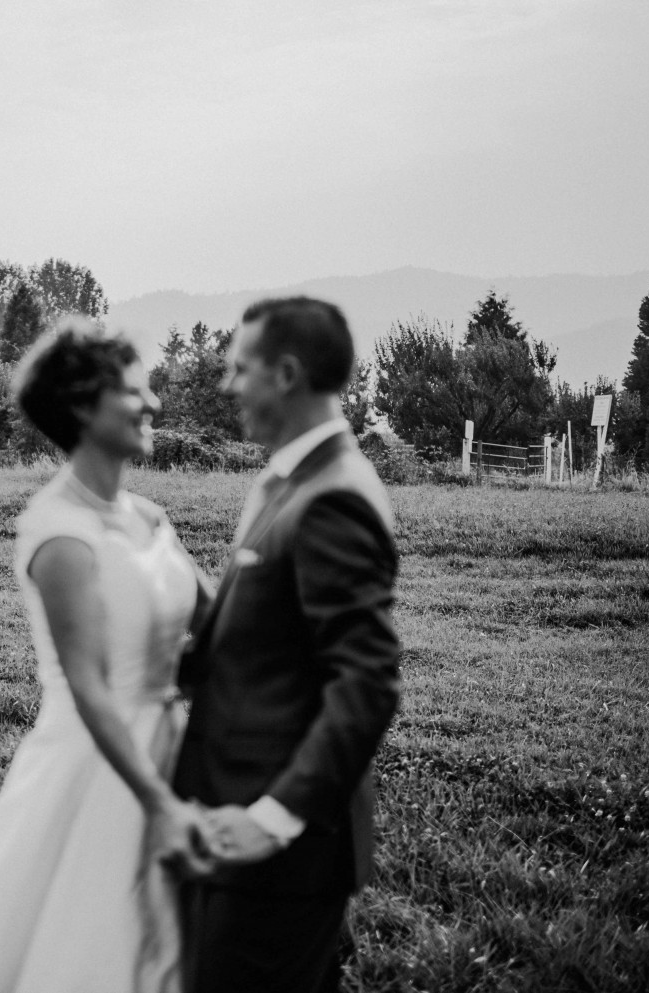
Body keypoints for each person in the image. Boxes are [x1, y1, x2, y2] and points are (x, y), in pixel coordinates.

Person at [0, 318, 213, 993]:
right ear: (85, 407)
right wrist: (155, 799)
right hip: (99, 762)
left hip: (179, 744)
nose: (153, 405)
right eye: (134, 392)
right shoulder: (58, 532)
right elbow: (88, 685)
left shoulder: (149, 517)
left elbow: (221, 621)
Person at [172, 297, 402, 992]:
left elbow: (366, 682)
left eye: (240, 367)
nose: (226, 385)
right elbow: (270, 634)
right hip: (236, 826)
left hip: (275, 850)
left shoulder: (333, 497)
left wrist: (274, 818)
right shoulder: (292, 477)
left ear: (288, 373)